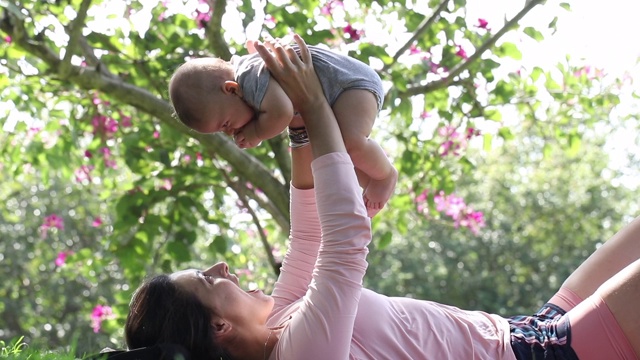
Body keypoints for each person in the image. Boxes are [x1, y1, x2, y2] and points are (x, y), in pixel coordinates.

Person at [125, 35, 640, 360]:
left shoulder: (284, 319)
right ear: (218, 326)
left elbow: (308, 237)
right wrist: (311, 104)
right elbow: (345, 243)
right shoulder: (302, 355)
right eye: (209, 280)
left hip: (529, 330)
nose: (221, 266)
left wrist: (301, 128)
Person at [167, 37, 397, 217]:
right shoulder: (249, 76)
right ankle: (369, 178)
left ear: (231, 89)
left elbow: (282, 112)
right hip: (336, 94)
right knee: (336, 155)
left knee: (349, 142)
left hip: (351, 85)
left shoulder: (249, 78)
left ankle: (385, 175)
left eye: (225, 124)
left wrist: (255, 132)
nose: (230, 132)